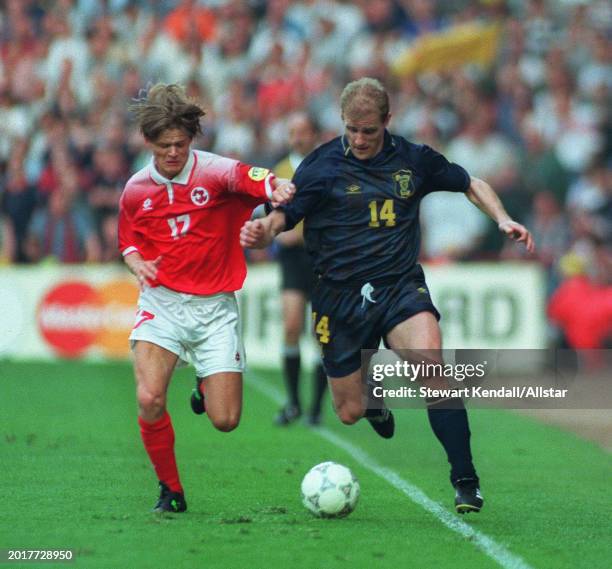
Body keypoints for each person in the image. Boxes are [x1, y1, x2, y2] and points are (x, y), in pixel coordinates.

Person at [240, 77, 534, 514]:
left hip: (398, 286)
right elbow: (283, 218)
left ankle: (465, 480)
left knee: (431, 368)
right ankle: (374, 402)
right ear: (342, 123)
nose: (359, 139)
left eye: (369, 131)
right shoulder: (320, 167)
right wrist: (262, 231)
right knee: (348, 411)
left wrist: (502, 218)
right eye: (351, 130)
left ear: (387, 122)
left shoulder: (414, 160)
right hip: (338, 299)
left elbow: (471, 182)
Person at [118, 83, 294, 513]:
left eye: (180, 144)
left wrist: (276, 188)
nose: (173, 153)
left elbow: (255, 178)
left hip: (214, 309)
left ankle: (202, 380)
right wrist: (136, 262)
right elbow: (129, 241)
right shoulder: (136, 189)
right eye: (164, 147)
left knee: (226, 420)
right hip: (162, 305)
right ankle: (170, 490)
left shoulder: (215, 171)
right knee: (149, 398)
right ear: (148, 143)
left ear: (191, 139)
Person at [273, 111, 328, 426]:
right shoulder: (280, 170)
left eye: (303, 130)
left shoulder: (326, 167)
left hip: (321, 257)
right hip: (293, 259)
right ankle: (293, 401)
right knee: (292, 325)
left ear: (313, 134)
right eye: (292, 131)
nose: (297, 137)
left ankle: (316, 407)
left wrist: (303, 232)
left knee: (321, 333)